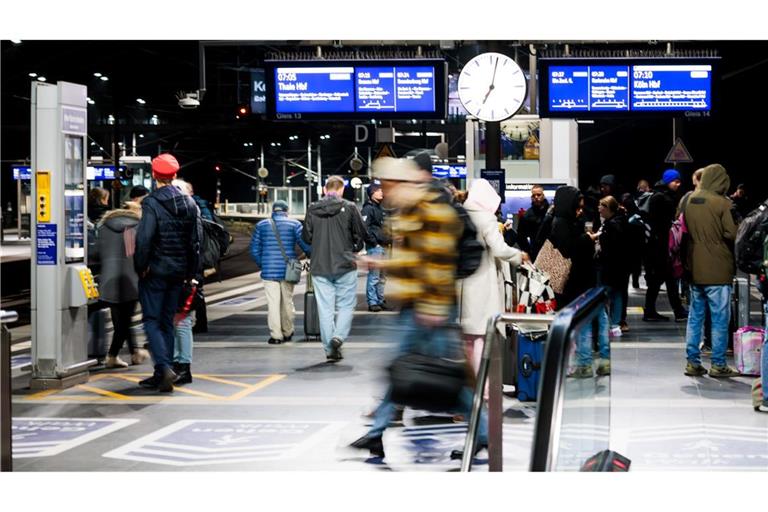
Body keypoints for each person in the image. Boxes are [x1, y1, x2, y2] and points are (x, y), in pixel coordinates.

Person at [349, 157, 489, 460]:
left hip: (431, 309)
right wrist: (382, 262)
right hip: (418, 306)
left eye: (388, 185)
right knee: (401, 371)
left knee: (448, 379)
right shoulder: (411, 210)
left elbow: (436, 263)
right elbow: (415, 259)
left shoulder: (431, 209)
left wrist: (432, 306)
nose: (384, 192)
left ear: (404, 183)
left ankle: (484, 433)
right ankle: (376, 434)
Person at [134, 154, 202, 392]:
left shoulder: (151, 203)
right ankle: (161, 373)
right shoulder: (189, 203)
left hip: (155, 272)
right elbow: (195, 242)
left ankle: (163, 368)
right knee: (167, 321)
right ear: (174, 175)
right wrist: (191, 273)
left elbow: (144, 239)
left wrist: (140, 267)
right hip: (179, 272)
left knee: (151, 321)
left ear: (154, 175)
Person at [459, 179, 526, 390]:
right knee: (481, 339)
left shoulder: (459, 214)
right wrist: (519, 255)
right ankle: (484, 390)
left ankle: (468, 390)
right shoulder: (486, 218)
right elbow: (499, 249)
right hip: (481, 284)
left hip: (461, 283)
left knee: (467, 341)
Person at [302, 175, 367, 361]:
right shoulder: (350, 207)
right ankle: (339, 336)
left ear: (325, 189)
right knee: (346, 305)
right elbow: (361, 233)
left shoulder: (312, 209)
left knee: (325, 309)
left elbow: (306, 237)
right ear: (341, 190)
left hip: (320, 266)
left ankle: (329, 349)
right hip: (345, 264)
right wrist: (355, 247)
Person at [683, 164, 739, 378]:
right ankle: (718, 363)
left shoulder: (688, 200)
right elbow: (732, 233)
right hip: (718, 267)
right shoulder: (722, 203)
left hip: (694, 265)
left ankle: (692, 362)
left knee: (695, 317)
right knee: (719, 318)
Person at [93, 201, 150, 368]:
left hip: (109, 280)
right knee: (124, 322)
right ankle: (112, 356)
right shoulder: (136, 227)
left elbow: (96, 254)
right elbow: (138, 253)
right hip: (130, 279)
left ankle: (134, 353)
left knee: (122, 320)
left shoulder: (104, 227)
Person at [250, 199, 311, 344]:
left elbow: (254, 249)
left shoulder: (261, 225)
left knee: (273, 304)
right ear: (286, 210)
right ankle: (288, 331)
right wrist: (311, 253)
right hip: (288, 269)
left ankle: (276, 336)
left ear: (273, 210)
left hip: (269, 271)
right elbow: (305, 245)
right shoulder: (295, 224)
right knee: (287, 302)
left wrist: (263, 263)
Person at [643, 168, 688, 322]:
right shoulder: (662, 197)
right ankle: (675, 311)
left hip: (660, 246)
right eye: (676, 181)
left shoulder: (661, 195)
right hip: (659, 246)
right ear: (669, 181)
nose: (678, 184)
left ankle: (658, 311)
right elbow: (660, 223)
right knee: (663, 280)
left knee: (663, 280)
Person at [590, 196, 628, 337]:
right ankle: (615, 325)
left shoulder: (611, 226)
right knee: (617, 295)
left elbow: (607, 248)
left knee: (603, 295)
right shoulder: (621, 221)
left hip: (608, 266)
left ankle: (605, 324)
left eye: (601, 206)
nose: (599, 208)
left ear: (608, 208)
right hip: (619, 267)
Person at [361, 182, 389, 312]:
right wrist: (374, 242)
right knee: (374, 276)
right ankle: (372, 302)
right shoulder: (368, 209)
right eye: (378, 191)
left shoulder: (380, 208)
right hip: (375, 247)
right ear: (372, 193)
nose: (381, 192)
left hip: (383, 246)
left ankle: (380, 299)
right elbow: (364, 228)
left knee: (382, 277)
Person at [517, 184, 549, 259]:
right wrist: (529, 252)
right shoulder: (527, 215)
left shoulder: (552, 211)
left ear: (543, 195)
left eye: (538, 195)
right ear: (531, 197)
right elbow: (521, 237)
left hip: (551, 250)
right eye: (534, 195)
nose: (536, 197)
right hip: (536, 251)